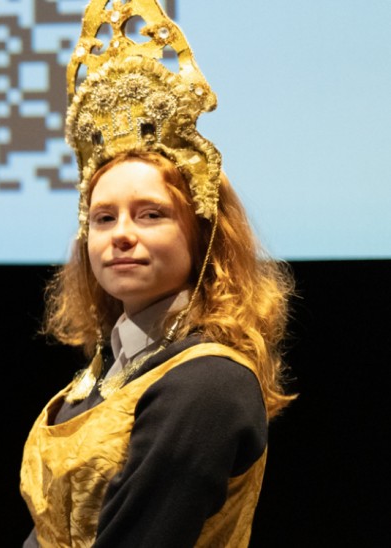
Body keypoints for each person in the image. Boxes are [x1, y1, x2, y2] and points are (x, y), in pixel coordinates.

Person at [19, 1, 295, 546]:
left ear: (202, 231)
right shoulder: (105, 373)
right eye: (103, 218)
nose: (121, 234)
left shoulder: (206, 383)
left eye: (151, 214)